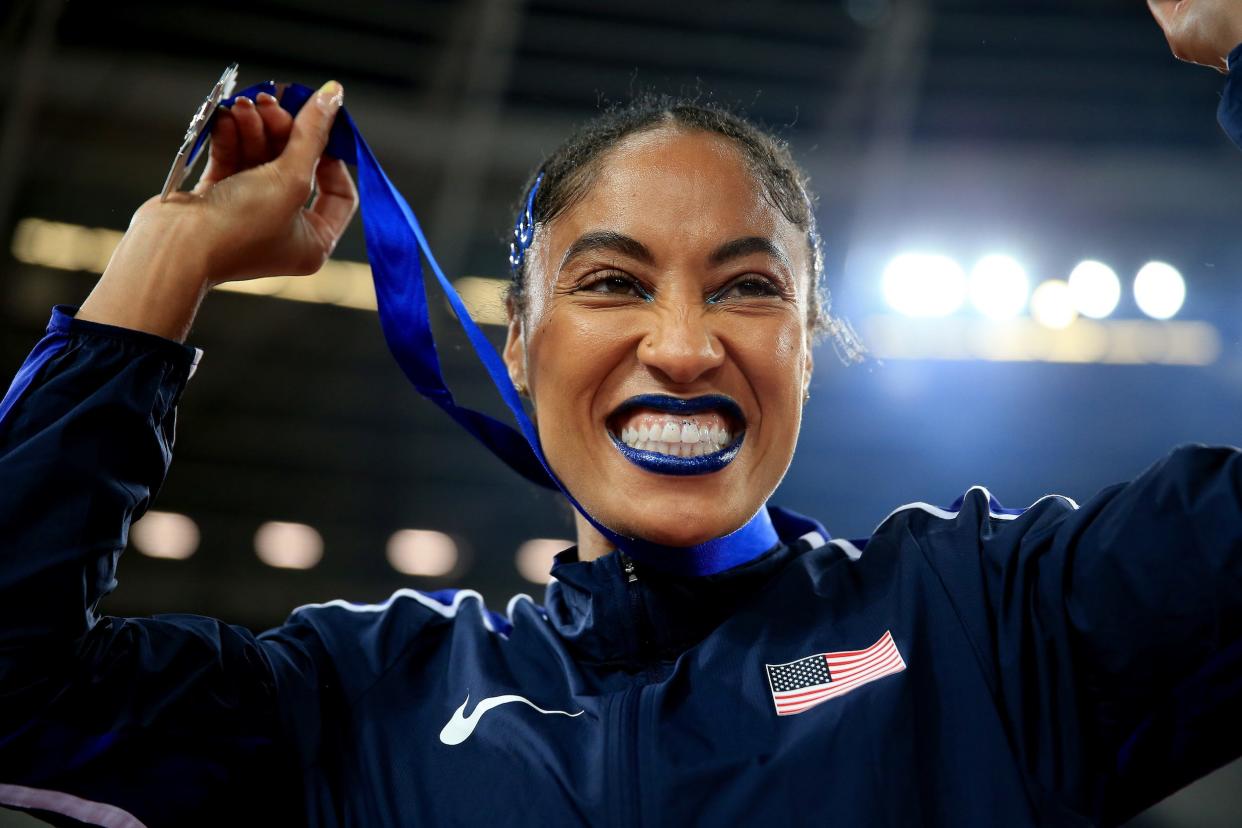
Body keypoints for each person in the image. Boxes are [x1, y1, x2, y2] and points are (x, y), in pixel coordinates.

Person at [1, 3, 1240, 826]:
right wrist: (159, 265)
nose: (689, 345)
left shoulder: (986, 622)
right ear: (522, 352)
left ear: (809, 349)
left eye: (750, 288)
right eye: (612, 282)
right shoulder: (356, 702)